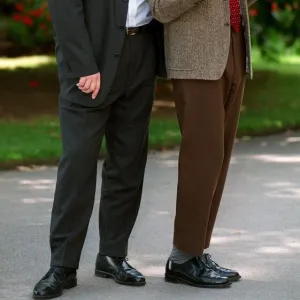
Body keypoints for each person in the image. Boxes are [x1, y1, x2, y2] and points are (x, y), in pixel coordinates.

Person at [32, 1, 166, 299]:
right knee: (78, 164)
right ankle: (62, 266)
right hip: (92, 58)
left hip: (142, 49)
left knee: (129, 161)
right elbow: (64, 7)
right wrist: (83, 65)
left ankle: (112, 255)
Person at [150, 0, 257, 288]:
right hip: (195, 58)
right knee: (203, 158)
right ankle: (182, 257)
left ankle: (196, 251)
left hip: (233, 46)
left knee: (218, 158)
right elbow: (160, 9)